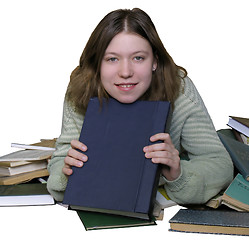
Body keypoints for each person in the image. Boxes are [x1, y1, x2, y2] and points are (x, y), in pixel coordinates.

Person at [47, 8, 233, 204]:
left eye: (138, 58)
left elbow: (220, 164)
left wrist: (177, 174)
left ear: (155, 61)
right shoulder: (82, 85)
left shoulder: (180, 88)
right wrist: (66, 174)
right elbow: (62, 158)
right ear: (97, 64)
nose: (125, 72)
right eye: (112, 59)